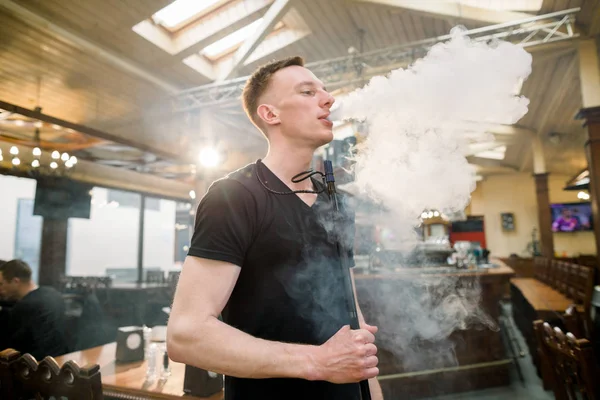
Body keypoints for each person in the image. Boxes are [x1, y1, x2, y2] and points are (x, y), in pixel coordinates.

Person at [167, 56, 383, 400]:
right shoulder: (234, 196)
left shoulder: (337, 202)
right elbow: (185, 335)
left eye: (325, 92)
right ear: (270, 114)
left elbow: (352, 313)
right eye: (308, 91)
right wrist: (318, 361)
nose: (328, 100)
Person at [0, 260, 68, 359]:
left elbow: (10, 345)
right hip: (60, 358)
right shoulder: (53, 293)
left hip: (37, 365)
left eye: (1, 284)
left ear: (16, 281)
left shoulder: (24, 306)